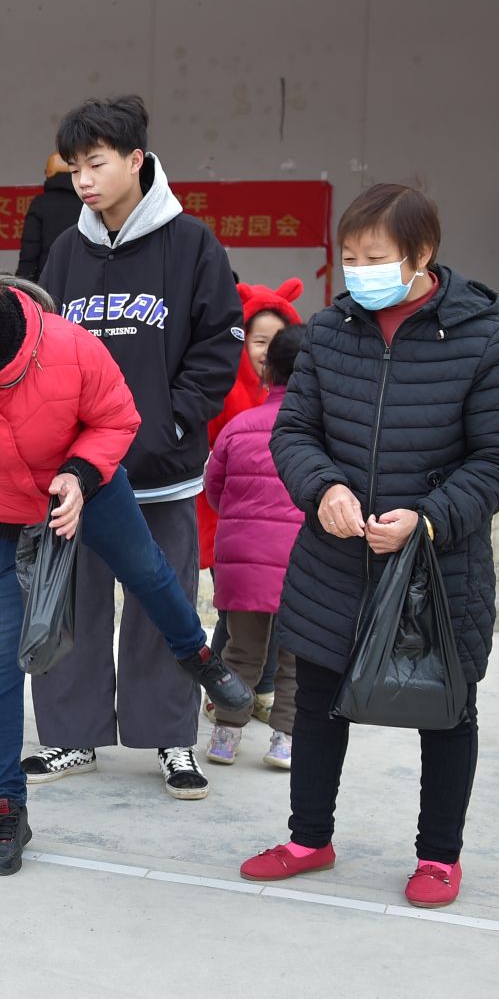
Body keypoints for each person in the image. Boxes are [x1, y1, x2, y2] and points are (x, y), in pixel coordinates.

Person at [0, 226, 250, 875]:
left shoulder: (65, 346)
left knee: (147, 573)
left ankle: (196, 656)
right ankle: (5, 807)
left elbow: (117, 415)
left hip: (86, 486)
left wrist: (80, 474)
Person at [240, 184, 499, 908]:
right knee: (317, 703)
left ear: (421, 255)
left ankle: (439, 856)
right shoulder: (331, 330)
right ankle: (309, 837)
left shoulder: (482, 336)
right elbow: (294, 430)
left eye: (375, 257)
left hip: (438, 562)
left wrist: (429, 517)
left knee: (448, 706)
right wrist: (325, 490)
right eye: (349, 257)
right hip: (334, 557)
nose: (359, 270)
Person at [30, 94, 245, 799]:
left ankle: (170, 740)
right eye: (76, 168)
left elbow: (220, 346)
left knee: (165, 606)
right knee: (73, 605)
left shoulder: (192, 245)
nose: (84, 180)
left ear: (135, 160)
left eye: (97, 163)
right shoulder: (66, 250)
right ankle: (72, 737)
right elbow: (41, 348)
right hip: (79, 475)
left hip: (161, 469)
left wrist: (173, 425)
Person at [200, 277, 305, 721]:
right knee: (238, 620)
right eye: (258, 339)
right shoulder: (225, 391)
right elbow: (213, 477)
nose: (264, 350)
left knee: (268, 620)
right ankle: (237, 698)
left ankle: (250, 700)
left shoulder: (303, 407)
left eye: (274, 342)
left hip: (256, 529)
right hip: (233, 526)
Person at [16, 154, 82, 283]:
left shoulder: (40, 204)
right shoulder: (89, 202)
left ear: (49, 173)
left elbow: (29, 254)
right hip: (83, 281)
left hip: (48, 282)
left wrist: (22, 287)